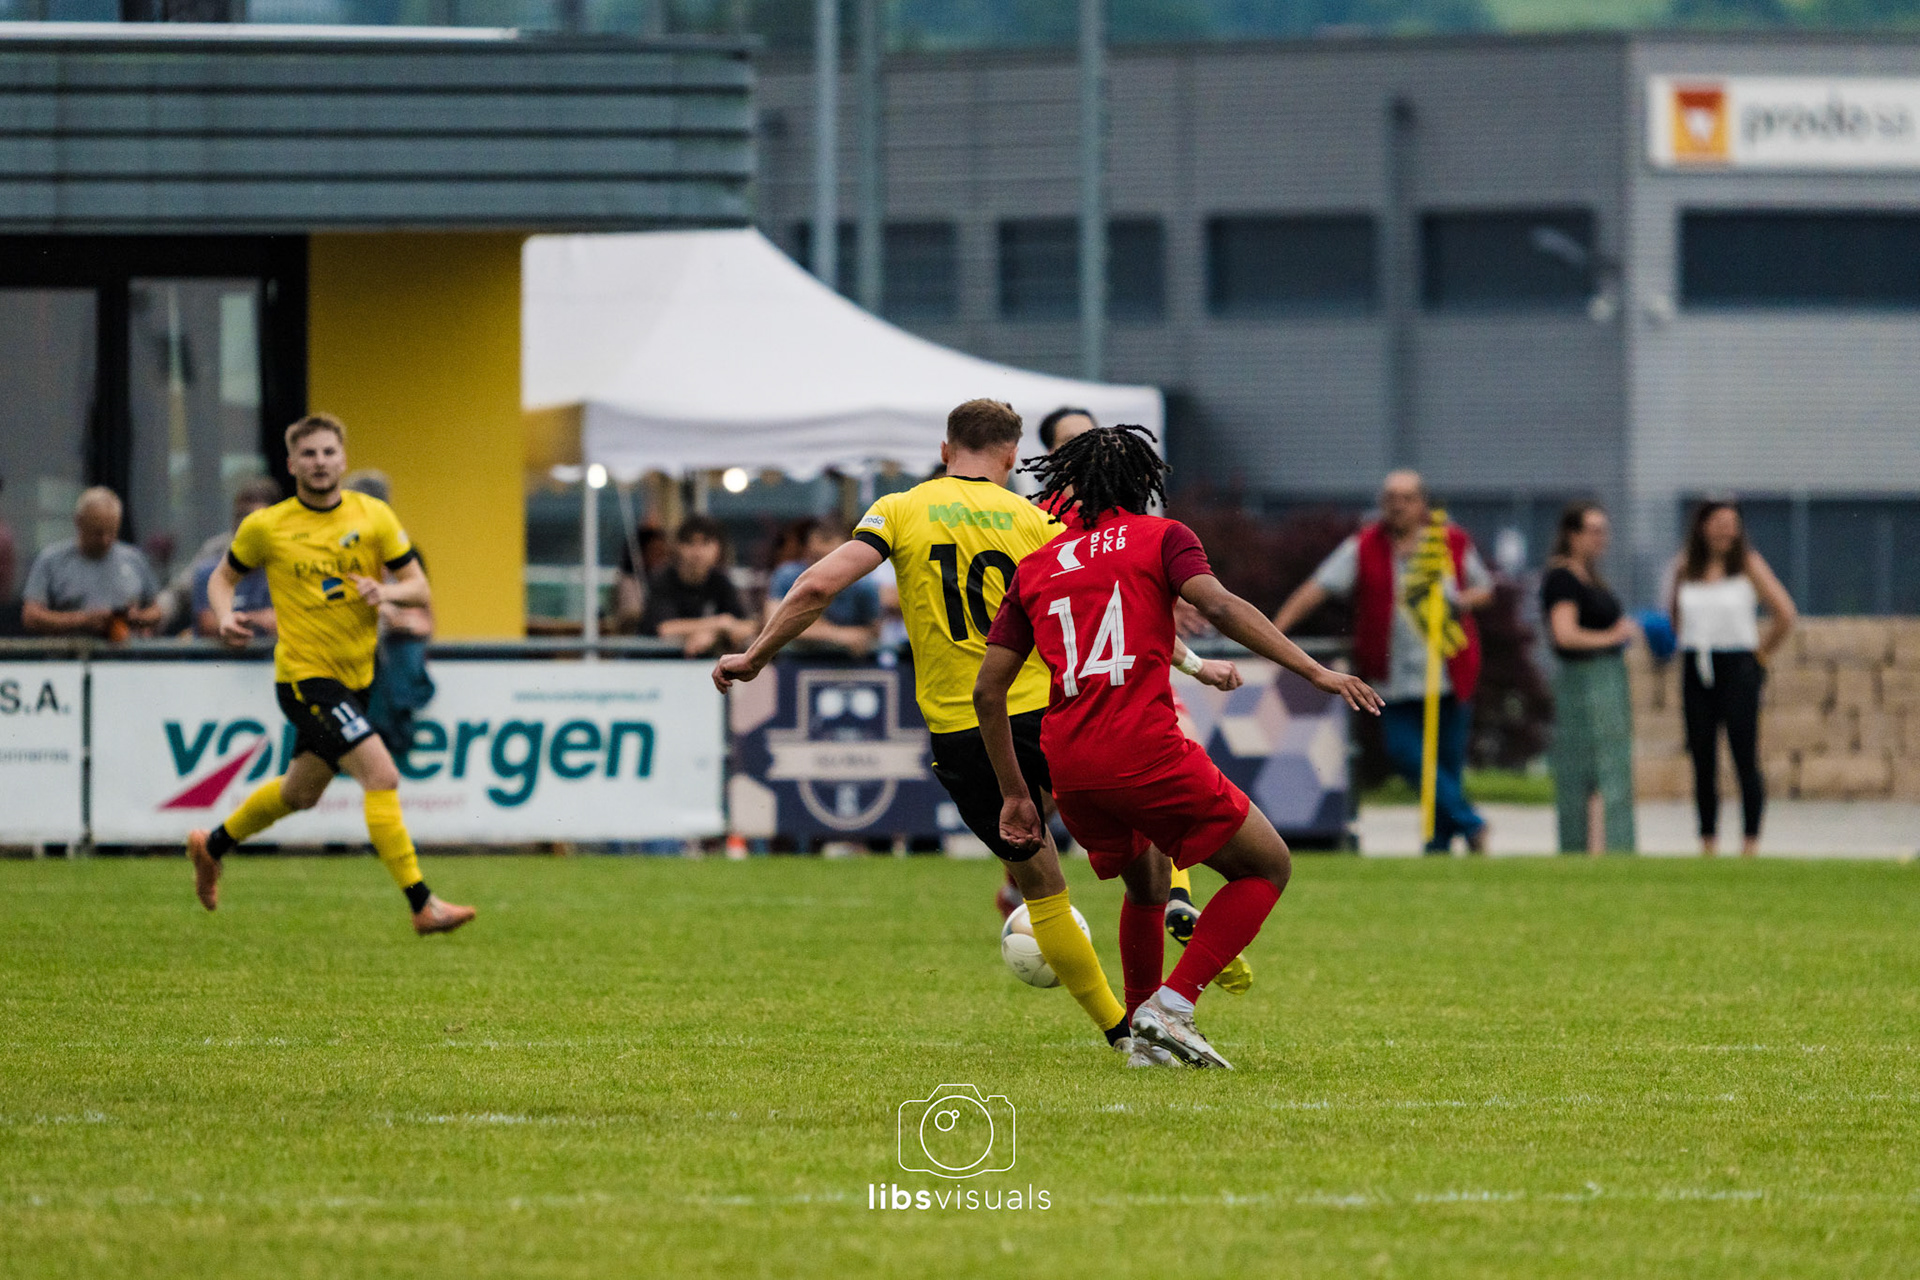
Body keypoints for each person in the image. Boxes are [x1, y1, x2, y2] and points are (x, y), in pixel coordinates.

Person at [714, 399, 1233, 1064]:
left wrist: (755, 655)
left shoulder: (901, 510)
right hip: (1052, 714)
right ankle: (1168, 955)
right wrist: (1191, 660)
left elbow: (817, 586)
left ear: (943, 449)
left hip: (966, 730)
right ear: (1014, 456)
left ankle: (1121, 1031)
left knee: (1040, 884)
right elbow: (1104, 603)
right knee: (1146, 867)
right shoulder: (1036, 520)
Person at [975, 424, 1382, 1069]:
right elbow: (1218, 607)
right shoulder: (1163, 537)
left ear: (1069, 490)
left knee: (1147, 881)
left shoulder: (1036, 567)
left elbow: (988, 691)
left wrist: (1016, 794)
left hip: (1071, 764)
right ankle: (1173, 1005)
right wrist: (1316, 671)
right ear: (1143, 483)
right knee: (1267, 866)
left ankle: (1142, 1040)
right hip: (1143, 749)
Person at [184, 413, 474, 936]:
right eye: (309, 454)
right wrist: (225, 615)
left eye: (328, 453)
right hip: (305, 679)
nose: (320, 462)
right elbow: (223, 579)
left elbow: (419, 588)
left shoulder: (374, 516)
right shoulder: (267, 526)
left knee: (300, 794)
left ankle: (214, 846)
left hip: (357, 679)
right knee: (382, 776)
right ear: (293, 463)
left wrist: (385, 591)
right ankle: (422, 904)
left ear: (342, 458)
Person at [1271, 470, 1494, 854]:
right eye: (1391, 497)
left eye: (1406, 498)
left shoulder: (1450, 542)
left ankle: (1438, 845)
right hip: (1391, 674)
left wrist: (1464, 602)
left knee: (1447, 762)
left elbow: (1484, 589)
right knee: (1406, 754)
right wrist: (1274, 631)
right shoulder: (1364, 546)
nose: (1397, 505)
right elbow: (1319, 587)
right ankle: (1472, 823)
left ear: (1422, 503)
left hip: (1447, 670)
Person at [1665, 500, 1797, 857]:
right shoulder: (1685, 567)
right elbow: (1674, 613)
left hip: (1737, 664)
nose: (1725, 530)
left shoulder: (1748, 565)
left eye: (1731, 523)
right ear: (1703, 527)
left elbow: (1785, 613)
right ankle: (1707, 840)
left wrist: (1760, 656)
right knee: (1703, 758)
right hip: (1698, 664)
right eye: (1718, 522)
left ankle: (1750, 842)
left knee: (1743, 756)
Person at [1540, 502, 1638, 855]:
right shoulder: (1562, 579)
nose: (1601, 539)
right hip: (1582, 681)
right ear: (1573, 534)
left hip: (1609, 678)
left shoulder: (1592, 577)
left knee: (1612, 767)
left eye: (1604, 531)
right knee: (1583, 768)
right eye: (1593, 530)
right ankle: (1580, 846)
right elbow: (1564, 634)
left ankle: (1613, 847)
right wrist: (1613, 636)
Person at [21, 487, 162, 639]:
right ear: (79, 522)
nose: (105, 539)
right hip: (70, 658)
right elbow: (30, 616)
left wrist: (137, 618)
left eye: (112, 531)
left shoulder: (135, 559)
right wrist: (82, 620)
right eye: (98, 532)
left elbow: (156, 611)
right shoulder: (51, 560)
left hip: (125, 659)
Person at [639, 515, 757, 656]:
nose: (698, 552)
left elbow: (746, 625)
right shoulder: (662, 580)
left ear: (718, 548)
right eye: (690, 543)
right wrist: (718, 624)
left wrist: (713, 635)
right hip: (657, 665)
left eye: (705, 543)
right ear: (678, 547)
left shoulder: (721, 582)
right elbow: (665, 628)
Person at [763, 517, 881, 655]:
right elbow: (773, 625)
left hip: (848, 664)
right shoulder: (788, 575)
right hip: (796, 661)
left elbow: (872, 633)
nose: (823, 568)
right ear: (807, 551)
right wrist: (839, 635)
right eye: (815, 558)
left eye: (831, 559)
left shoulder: (864, 586)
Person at [190, 478, 283, 640]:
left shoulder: (284, 568)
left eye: (256, 521)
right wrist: (258, 618)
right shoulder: (210, 568)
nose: (245, 526)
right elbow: (209, 625)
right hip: (218, 662)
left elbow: (285, 622)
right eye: (241, 516)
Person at [612, 525, 670, 635]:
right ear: (641, 555)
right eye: (656, 553)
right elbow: (631, 614)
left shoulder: (665, 581)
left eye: (665, 554)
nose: (662, 559)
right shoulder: (628, 582)